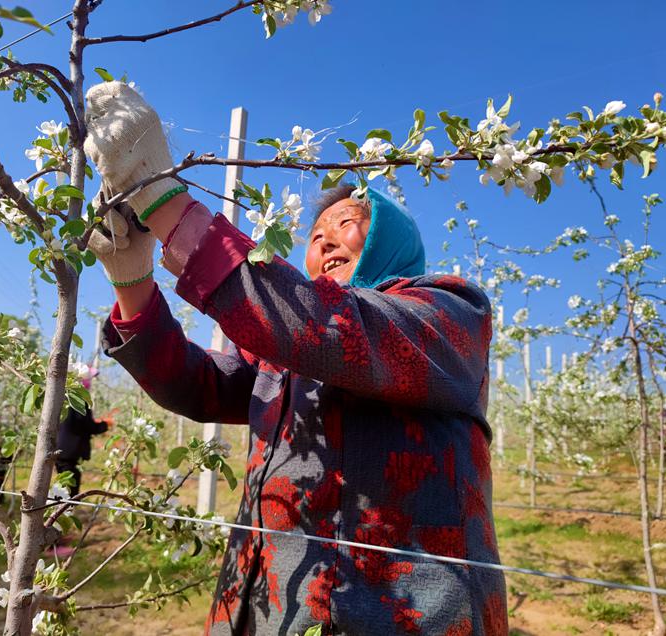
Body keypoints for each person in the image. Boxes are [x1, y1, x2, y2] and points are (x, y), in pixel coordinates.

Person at [84, 82, 507, 635]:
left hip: (399, 613)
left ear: (390, 238)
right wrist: (132, 279)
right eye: (315, 234)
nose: (326, 240)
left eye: (347, 224)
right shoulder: (282, 351)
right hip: (266, 606)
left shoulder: (450, 312)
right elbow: (196, 385)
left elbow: (333, 329)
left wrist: (167, 207)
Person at [55, 371, 109, 494]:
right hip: (70, 451)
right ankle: (65, 510)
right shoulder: (78, 400)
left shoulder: (63, 398)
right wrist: (105, 424)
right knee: (69, 486)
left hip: (60, 448)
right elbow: (87, 426)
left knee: (63, 483)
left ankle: (61, 509)